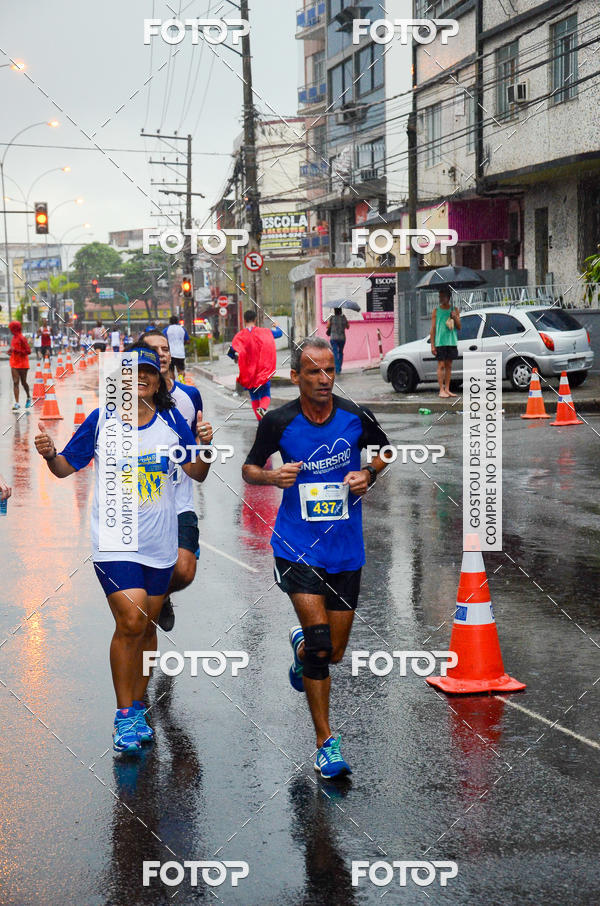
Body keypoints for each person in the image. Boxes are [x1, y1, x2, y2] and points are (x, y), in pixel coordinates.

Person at [34, 346, 214, 755]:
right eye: (133, 374)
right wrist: (49, 457)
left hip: (160, 544)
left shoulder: (171, 422)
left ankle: (136, 707)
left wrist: (204, 447)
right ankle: (122, 714)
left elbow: (197, 473)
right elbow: (66, 467)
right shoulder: (102, 421)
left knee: (147, 627)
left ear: (158, 381)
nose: (141, 380)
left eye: (149, 373)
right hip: (114, 542)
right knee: (131, 620)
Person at [242, 337, 389, 779]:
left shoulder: (354, 415)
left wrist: (368, 473)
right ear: (296, 377)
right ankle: (326, 743)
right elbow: (249, 467)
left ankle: (301, 650)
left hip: (346, 548)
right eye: (314, 372)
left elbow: (385, 451)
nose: (324, 379)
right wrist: (272, 476)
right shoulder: (278, 421)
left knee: (334, 651)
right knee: (323, 648)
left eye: (330, 370)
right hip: (296, 546)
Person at [135, 329, 205, 632]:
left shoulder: (188, 397)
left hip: (179, 498)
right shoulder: (125, 395)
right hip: (145, 497)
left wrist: (205, 446)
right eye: (153, 350)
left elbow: (194, 445)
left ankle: (160, 597)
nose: (161, 354)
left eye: (165, 349)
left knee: (185, 570)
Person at [228, 310, 283, 420]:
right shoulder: (264, 332)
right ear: (255, 319)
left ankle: (260, 420)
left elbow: (231, 351)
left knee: (254, 397)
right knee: (265, 395)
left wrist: (236, 357)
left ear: (244, 320)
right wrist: (277, 326)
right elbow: (279, 333)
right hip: (262, 371)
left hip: (248, 373)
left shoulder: (239, 336)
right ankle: (262, 410)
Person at [430, 287, 461, 399]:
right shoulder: (436, 311)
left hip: (451, 341)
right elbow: (433, 329)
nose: (441, 298)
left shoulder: (455, 310)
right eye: (440, 296)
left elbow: (459, 326)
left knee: (449, 365)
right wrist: (432, 345)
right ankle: (441, 389)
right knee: (441, 365)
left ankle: (447, 389)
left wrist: (455, 317)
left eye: (443, 296)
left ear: (448, 297)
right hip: (440, 342)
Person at [9, 320, 32, 412]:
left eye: (11, 328)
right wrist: (10, 351)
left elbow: (28, 351)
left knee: (23, 382)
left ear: (15, 328)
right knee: (15, 382)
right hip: (14, 362)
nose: (10, 330)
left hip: (23, 363)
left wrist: (18, 351)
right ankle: (17, 403)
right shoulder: (13, 338)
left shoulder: (22, 338)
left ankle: (28, 397)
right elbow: (14, 349)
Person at [162, 315, 190, 381]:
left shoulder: (166, 330)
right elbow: (188, 341)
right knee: (180, 370)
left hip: (170, 354)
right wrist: (182, 343)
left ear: (170, 322)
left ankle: (173, 384)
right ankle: (181, 383)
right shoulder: (182, 329)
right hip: (180, 353)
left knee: (171, 371)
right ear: (177, 321)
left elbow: (162, 340)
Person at [326, 307, 349, 374]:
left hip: (333, 338)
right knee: (341, 352)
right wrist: (345, 320)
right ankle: (339, 368)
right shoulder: (343, 318)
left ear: (334, 311)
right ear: (341, 311)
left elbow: (327, 326)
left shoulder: (332, 318)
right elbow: (348, 327)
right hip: (342, 338)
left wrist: (329, 320)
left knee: (335, 353)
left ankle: (337, 368)